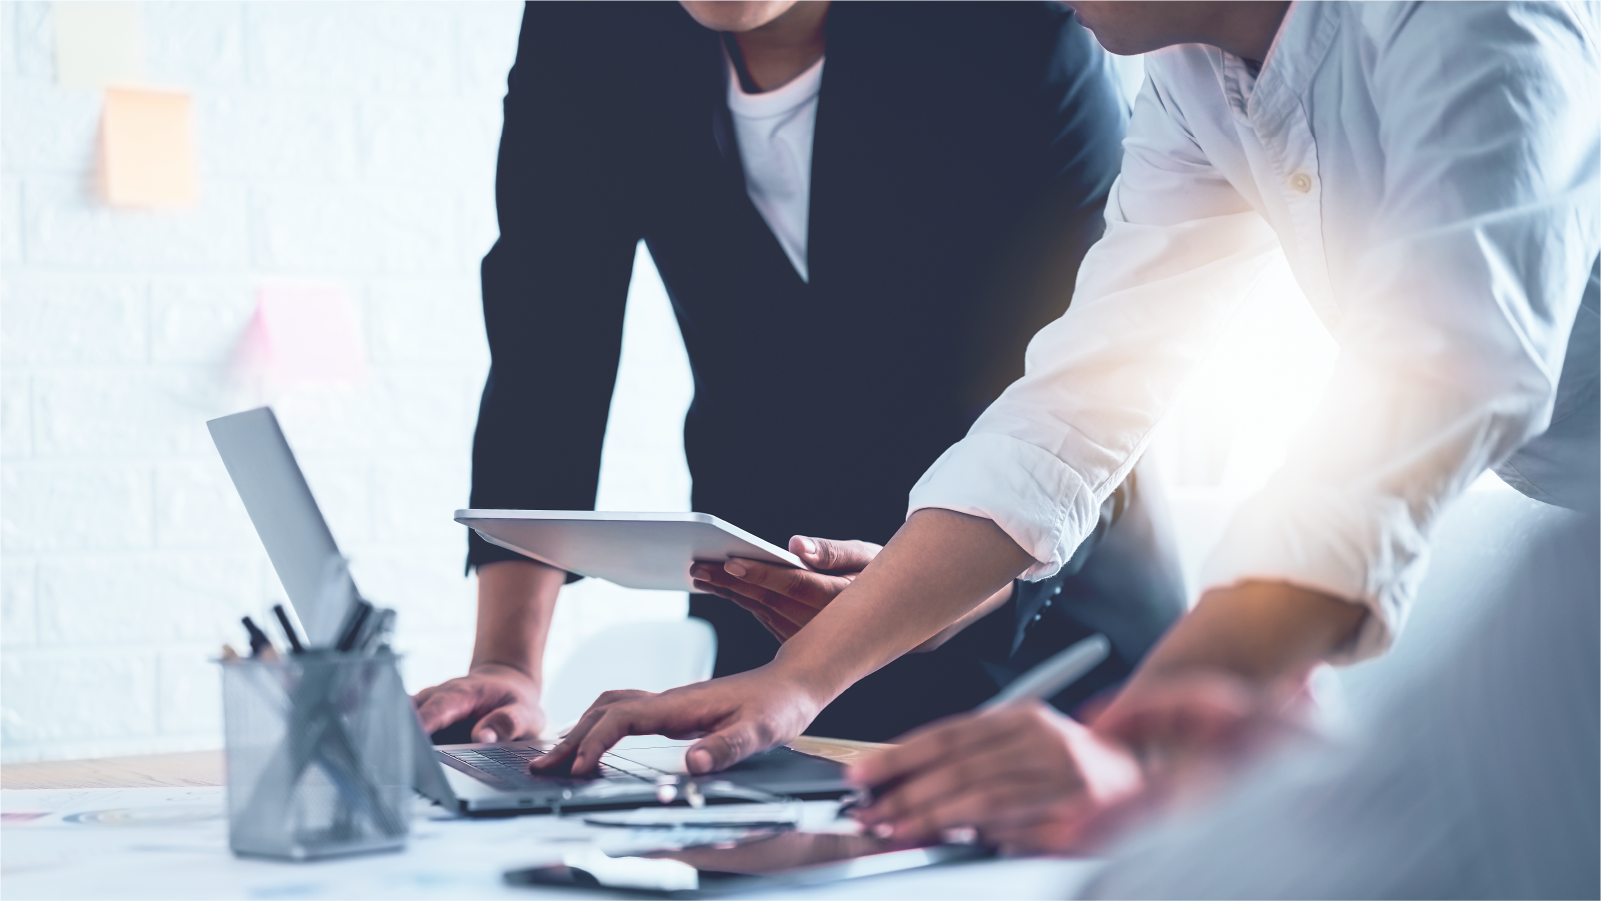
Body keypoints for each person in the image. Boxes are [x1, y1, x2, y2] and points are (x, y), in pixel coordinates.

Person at [535, 0, 1601, 839]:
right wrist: (791, 683)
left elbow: (1448, 362)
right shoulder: (1189, 85)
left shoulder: (1475, 12)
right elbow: (1076, 406)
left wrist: (1165, 719)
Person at [414, 0, 1189, 746]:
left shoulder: (1021, 27)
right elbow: (547, 334)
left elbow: (1090, 388)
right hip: (772, 615)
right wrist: (507, 664)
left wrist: (918, 602)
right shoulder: (590, 24)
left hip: (1041, 620)